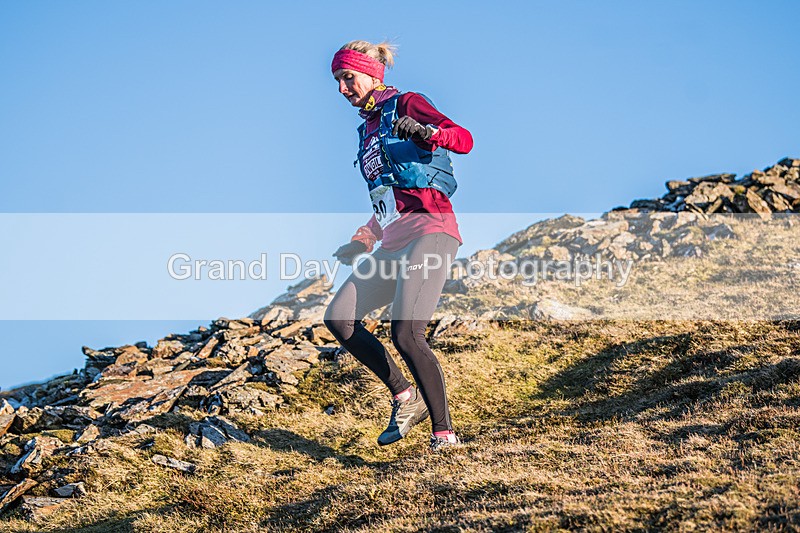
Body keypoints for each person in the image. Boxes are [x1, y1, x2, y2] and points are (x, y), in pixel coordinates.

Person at [323, 40, 473, 452]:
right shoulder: (367, 130)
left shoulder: (407, 102)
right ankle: (406, 397)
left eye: (347, 78)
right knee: (339, 318)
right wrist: (364, 239)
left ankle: (445, 435)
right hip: (392, 240)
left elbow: (464, 139)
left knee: (406, 333)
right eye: (337, 81)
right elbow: (388, 197)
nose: (342, 89)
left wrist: (428, 133)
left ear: (372, 74)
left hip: (432, 231)